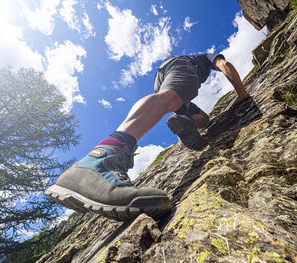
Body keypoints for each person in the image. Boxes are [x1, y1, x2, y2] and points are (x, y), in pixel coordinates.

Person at [45, 53, 250, 221]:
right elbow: (225, 64)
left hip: (163, 76)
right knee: (171, 98)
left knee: (202, 118)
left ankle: (185, 121)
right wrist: (242, 94)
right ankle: (102, 157)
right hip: (182, 66)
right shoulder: (205, 58)